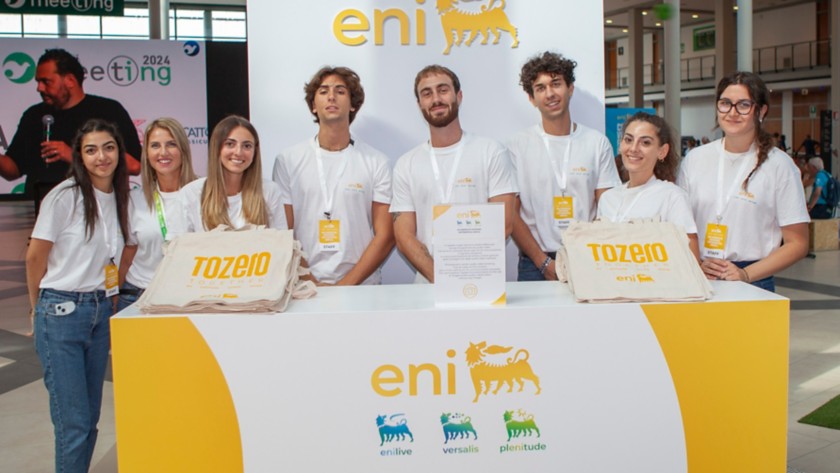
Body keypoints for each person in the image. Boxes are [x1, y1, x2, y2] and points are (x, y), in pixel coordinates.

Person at [25, 119, 130, 472]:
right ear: (80, 157)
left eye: (109, 147)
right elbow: (35, 256)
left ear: (119, 151)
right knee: (73, 425)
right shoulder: (65, 196)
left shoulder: (121, 194)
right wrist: (35, 308)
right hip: (61, 313)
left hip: (100, 311)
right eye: (91, 150)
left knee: (90, 422)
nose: (102, 156)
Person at [678, 71, 810, 292]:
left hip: (754, 278)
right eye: (725, 103)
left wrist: (745, 274)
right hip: (698, 274)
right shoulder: (695, 159)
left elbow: (798, 243)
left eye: (743, 105)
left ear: (761, 111)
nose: (733, 112)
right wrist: (696, 264)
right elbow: (679, 226)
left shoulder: (780, 166)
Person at [390, 65, 517, 283]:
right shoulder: (406, 164)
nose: (436, 99)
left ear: (458, 96)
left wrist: (464, 273)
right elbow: (404, 236)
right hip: (427, 284)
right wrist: (442, 279)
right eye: (427, 93)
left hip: (481, 281)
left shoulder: (491, 152)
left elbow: (504, 223)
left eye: (443, 90)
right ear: (420, 103)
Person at [272, 66, 393, 285]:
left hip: (361, 287)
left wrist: (345, 286)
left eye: (340, 91)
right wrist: (310, 280)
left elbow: (385, 236)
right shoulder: (288, 160)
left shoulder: (377, 162)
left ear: (353, 104)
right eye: (323, 91)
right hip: (304, 286)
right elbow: (282, 233)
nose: (331, 96)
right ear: (313, 106)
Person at [507, 51, 620, 281]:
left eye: (556, 84)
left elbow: (607, 207)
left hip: (588, 258)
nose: (550, 94)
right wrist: (543, 261)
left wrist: (584, 254)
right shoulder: (517, 145)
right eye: (540, 88)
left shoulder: (596, 143)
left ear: (570, 88)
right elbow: (512, 213)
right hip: (534, 263)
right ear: (531, 98)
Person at [0, 49, 141, 211]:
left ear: (70, 80)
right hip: (40, 213)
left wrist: (75, 156)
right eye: (38, 82)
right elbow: (13, 170)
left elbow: (134, 166)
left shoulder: (108, 111)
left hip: (97, 211)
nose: (39, 88)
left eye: (46, 82)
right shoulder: (33, 115)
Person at [117, 118, 198, 310]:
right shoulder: (134, 199)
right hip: (137, 296)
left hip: (187, 297)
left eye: (171, 144)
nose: (163, 152)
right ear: (146, 153)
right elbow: (127, 256)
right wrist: (112, 297)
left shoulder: (203, 193)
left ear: (183, 150)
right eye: (155, 146)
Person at [596, 112, 700, 261]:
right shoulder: (608, 199)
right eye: (628, 140)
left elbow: (692, 260)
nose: (633, 148)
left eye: (645, 142)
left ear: (662, 151)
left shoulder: (672, 197)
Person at [181, 115, 287, 231]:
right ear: (217, 148)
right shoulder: (191, 194)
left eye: (247, 146)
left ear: (255, 152)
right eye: (230, 144)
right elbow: (179, 246)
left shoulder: (270, 191)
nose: (238, 152)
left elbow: (280, 245)